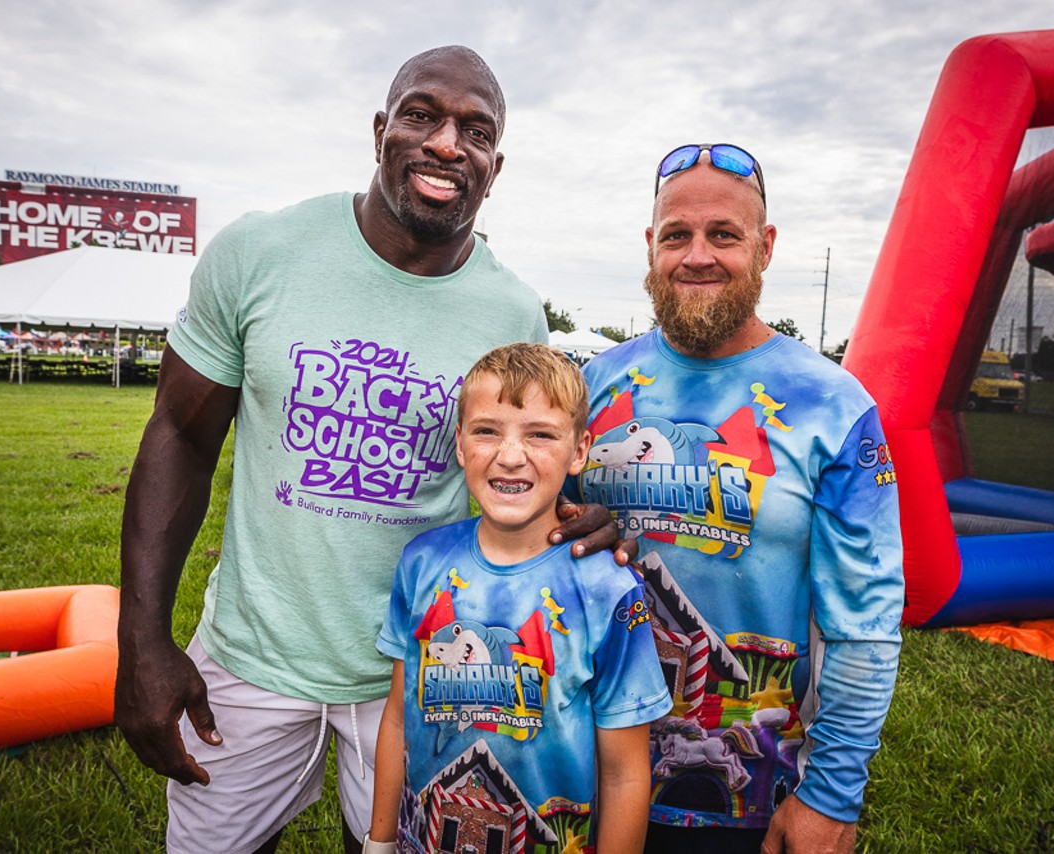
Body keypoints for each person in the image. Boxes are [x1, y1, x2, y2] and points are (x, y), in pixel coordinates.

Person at [115, 46, 628, 854]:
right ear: (382, 129)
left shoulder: (513, 309)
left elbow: (521, 466)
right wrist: (141, 638)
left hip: (421, 668)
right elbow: (180, 435)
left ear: (496, 167)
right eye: (423, 115)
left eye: (477, 130)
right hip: (253, 655)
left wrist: (580, 516)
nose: (447, 144)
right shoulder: (261, 252)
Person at [568, 144, 904, 853]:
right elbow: (537, 549)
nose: (697, 256)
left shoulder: (833, 405)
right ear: (650, 247)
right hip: (583, 782)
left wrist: (832, 794)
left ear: (765, 246)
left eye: (723, 234)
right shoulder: (591, 386)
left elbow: (865, 624)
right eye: (676, 235)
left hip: (755, 802)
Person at [367, 343, 671, 854]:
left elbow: (624, 773)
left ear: (579, 451)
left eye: (541, 435)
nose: (511, 456)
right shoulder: (421, 563)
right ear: (460, 444)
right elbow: (398, 717)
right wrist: (378, 843)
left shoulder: (608, 588)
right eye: (486, 431)